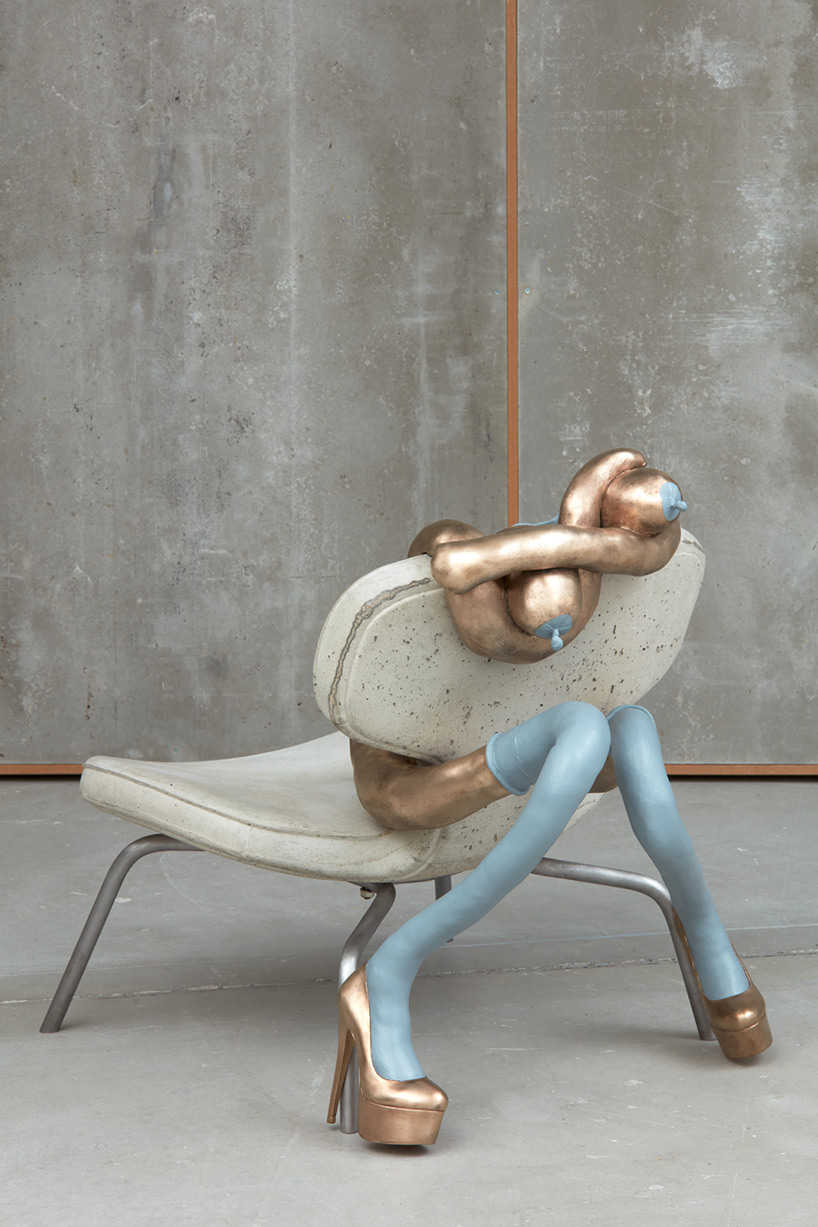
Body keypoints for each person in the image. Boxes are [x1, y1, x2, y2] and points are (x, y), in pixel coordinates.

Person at [326, 450, 771, 1147]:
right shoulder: (461, 563)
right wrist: (590, 545)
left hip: (525, 761)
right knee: (594, 725)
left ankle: (702, 930)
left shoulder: (597, 567)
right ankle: (390, 971)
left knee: (623, 727)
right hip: (412, 787)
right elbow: (453, 568)